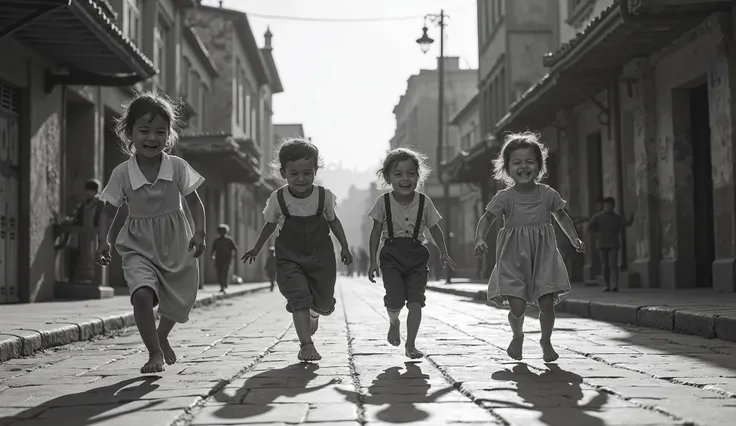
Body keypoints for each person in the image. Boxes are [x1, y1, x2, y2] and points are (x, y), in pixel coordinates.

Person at [95, 92, 206, 374]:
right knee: (142, 295)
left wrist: (200, 233)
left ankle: (162, 335)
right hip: (138, 245)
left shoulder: (177, 166)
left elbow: (194, 201)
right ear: (129, 132)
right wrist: (103, 240)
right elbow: (108, 209)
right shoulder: (122, 173)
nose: (152, 138)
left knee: (183, 295)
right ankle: (154, 352)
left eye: (160, 131)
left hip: (176, 241)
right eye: (144, 130)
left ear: (168, 135)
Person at [474, 131, 585, 363]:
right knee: (517, 307)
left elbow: (562, 217)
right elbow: (486, 219)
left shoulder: (547, 195)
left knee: (547, 304)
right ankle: (517, 335)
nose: (524, 166)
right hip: (513, 260)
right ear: (506, 168)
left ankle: (546, 340)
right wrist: (480, 239)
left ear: (540, 166)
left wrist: (574, 238)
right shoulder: (505, 197)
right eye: (517, 162)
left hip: (543, 258)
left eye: (530, 161)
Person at [241, 138, 353, 362]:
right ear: (284, 173)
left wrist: (345, 247)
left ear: (315, 171)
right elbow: (270, 224)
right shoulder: (278, 198)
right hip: (290, 257)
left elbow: (334, 222)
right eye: (294, 174)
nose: (301, 179)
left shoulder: (324, 196)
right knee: (299, 297)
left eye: (307, 173)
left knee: (323, 304)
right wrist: (256, 248)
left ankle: (314, 312)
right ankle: (306, 345)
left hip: (321, 257)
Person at [367, 147, 457, 359]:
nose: (405, 178)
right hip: (391, 255)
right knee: (395, 299)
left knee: (416, 300)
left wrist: (443, 252)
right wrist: (372, 261)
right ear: (388, 177)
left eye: (411, 173)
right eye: (398, 174)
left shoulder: (425, 202)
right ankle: (394, 320)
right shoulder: (383, 202)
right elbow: (375, 232)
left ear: (418, 175)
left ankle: (411, 344)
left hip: (417, 255)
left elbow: (434, 228)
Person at [587, 197, 634, 292]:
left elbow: (627, 224)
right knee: (605, 265)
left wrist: (632, 216)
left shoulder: (616, 217)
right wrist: (596, 234)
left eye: (609, 205)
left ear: (613, 206)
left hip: (613, 244)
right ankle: (607, 284)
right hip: (601, 244)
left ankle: (614, 284)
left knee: (613, 264)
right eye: (606, 205)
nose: (607, 207)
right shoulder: (598, 216)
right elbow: (589, 228)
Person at [66, 179, 105, 280]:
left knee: (95, 256)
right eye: (87, 189)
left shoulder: (100, 203)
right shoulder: (84, 204)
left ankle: (96, 280)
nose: (87, 192)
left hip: (96, 234)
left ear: (95, 191)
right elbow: (78, 218)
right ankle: (84, 278)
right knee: (84, 256)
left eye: (90, 190)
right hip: (84, 234)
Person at [211, 224, 238, 292]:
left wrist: (235, 255)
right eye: (220, 231)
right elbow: (213, 249)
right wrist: (212, 256)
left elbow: (235, 248)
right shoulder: (216, 241)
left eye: (223, 231)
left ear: (226, 231)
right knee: (219, 272)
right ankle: (222, 285)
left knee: (224, 271)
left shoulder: (229, 240)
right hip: (218, 259)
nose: (222, 232)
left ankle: (224, 286)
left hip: (226, 259)